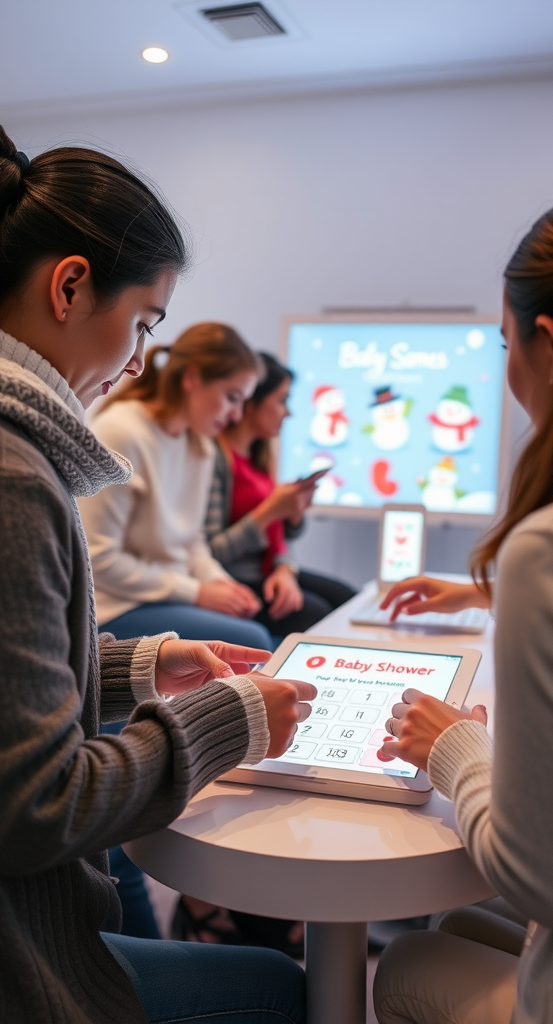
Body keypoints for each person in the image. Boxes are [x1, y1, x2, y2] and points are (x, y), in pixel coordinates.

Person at [0, 125, 316, 1024]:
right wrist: (229, 720)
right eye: (141, 323)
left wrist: (139, 667)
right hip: (27, 968)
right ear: (69, 286)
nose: (140, 360)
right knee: (281, 994)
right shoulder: (17, 476)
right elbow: (37, 807)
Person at [372, 195, 553, 1024]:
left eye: (502, 343)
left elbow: (541, 881)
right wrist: (486, 592)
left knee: (409, 964)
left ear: (548, 345)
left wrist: (457, 746)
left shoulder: (550, 548)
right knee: (458, 923)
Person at [79, 323, 276, 651]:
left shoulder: (200, 443)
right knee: (255, 640)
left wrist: (220, 583)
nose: (237, 415)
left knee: (260, 627)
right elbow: (99, 560)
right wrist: (197, 592)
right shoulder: (121, 432)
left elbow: (192, 542)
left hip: (167, 595)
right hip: (116, 606)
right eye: (232, 398)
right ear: (192, 378)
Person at [205, 351, 356, 637]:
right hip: (234, 577)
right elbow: (213, 551)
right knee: (316, 613)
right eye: (282, 400)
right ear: (252, 402)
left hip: (267, 571)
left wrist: (286, 563)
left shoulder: (260, 457)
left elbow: (281, 537)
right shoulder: (216, 458)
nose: (289, 412)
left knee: (348, 598)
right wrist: (270, 512)